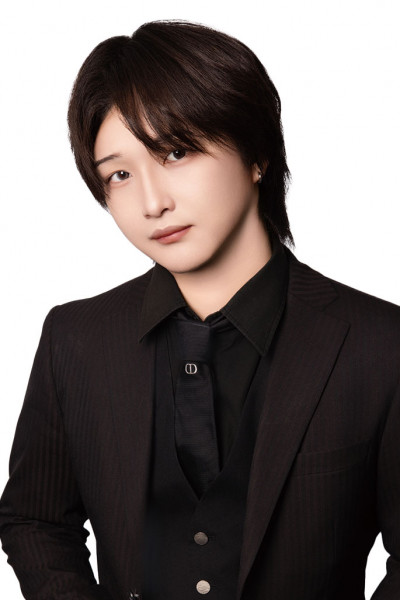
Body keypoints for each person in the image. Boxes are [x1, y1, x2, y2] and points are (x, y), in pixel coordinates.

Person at [0, 19, 399, 600]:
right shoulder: (75, 338)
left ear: (257, 153)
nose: (152, 203)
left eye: (177, 151)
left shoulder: (380, 344)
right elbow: (35, 519)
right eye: (119, 174)